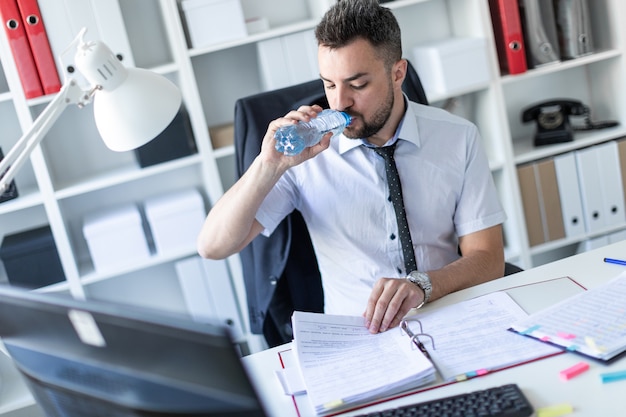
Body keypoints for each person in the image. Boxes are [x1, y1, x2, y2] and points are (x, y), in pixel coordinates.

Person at [198, 0, 507, 334]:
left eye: (357, 84)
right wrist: (268, 165)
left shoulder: (458, 137)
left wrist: (423, 286)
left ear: (397, 73)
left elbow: (488, 259)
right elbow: (213, 246)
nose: (339, 102)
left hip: (446, 312)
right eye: (329, 84)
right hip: (356, 334)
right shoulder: (305, 159)